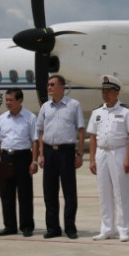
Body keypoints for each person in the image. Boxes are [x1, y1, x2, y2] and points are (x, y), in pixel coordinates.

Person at [87, 75, 129, 241]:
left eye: (109, 91)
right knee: (104, 192)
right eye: (104, 90)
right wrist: (92, 159)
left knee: (121, 192)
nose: (106, 94)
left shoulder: (126, 111)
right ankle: (107, 228)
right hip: (102, 152)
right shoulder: (97, 112)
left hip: (119, 151)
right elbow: (93, 137)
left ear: (117, 92)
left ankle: (123, 228)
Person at [36, 74, 86, 239]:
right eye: (48, 84)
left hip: (66, 151)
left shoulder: (74, 105)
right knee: (49, 192)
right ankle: (52, 228)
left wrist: (79, 153)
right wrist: (41, 154)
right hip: (49, 152)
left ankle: (70, 227)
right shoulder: (45, 107)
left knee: (69, 191)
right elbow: (41, 131)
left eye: (52, 84)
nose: (49, 87)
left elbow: (81, 130)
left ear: (62, 87)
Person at [0, 88, 38, 237]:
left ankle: (26, 226)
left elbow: (35, 141)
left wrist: (34, 161)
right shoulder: (2, 118)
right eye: (6, 100)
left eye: (11, 100)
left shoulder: (30, 117)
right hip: (6, 158)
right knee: (6, 194)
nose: (8, 103)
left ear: (20, 101)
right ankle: (10, 226)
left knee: (24, 194)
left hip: (23, 157)